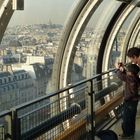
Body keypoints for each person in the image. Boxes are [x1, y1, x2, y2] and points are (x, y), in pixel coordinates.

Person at [115, 62, 140, 139]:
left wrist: (117, 69)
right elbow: (126, 74)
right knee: (131, 118)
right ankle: (131, 132)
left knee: (126, 119)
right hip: (134, 101)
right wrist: (123, 69)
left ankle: (127, 134)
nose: (127, 71)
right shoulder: (136, 77)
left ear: (131, 73)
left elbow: (121, 76)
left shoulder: (130, 78)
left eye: (128, 71)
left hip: (129, 101)